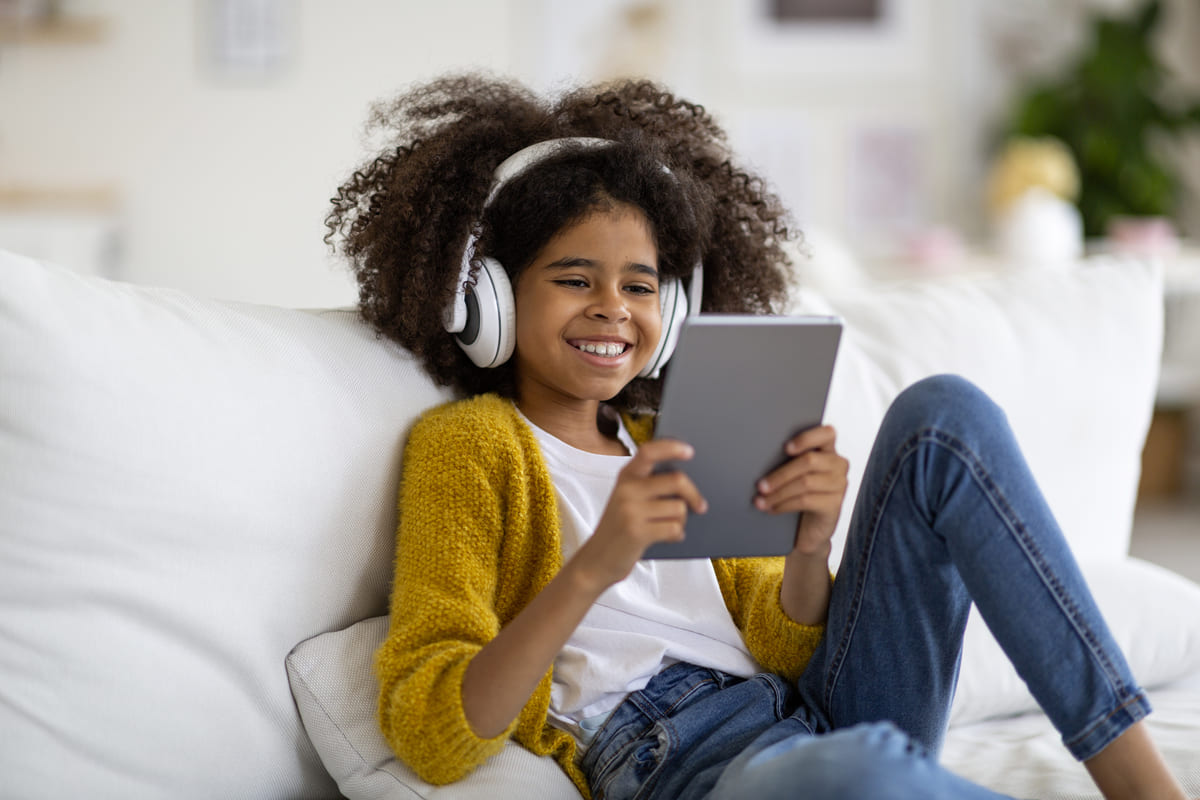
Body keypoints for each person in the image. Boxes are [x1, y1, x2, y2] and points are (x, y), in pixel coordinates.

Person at [324, 74, 1189, 800]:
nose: (613, 309)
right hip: (679, 757)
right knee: (857, 770)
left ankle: (1139, 779)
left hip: (807, 712)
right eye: (573, 278)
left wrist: (810, 546)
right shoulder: (470, 449)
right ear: (490, 298)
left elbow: (788, 647)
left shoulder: (678, 431)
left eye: (640, 285)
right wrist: (595, 564)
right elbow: (435, 732)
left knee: (945, 419)